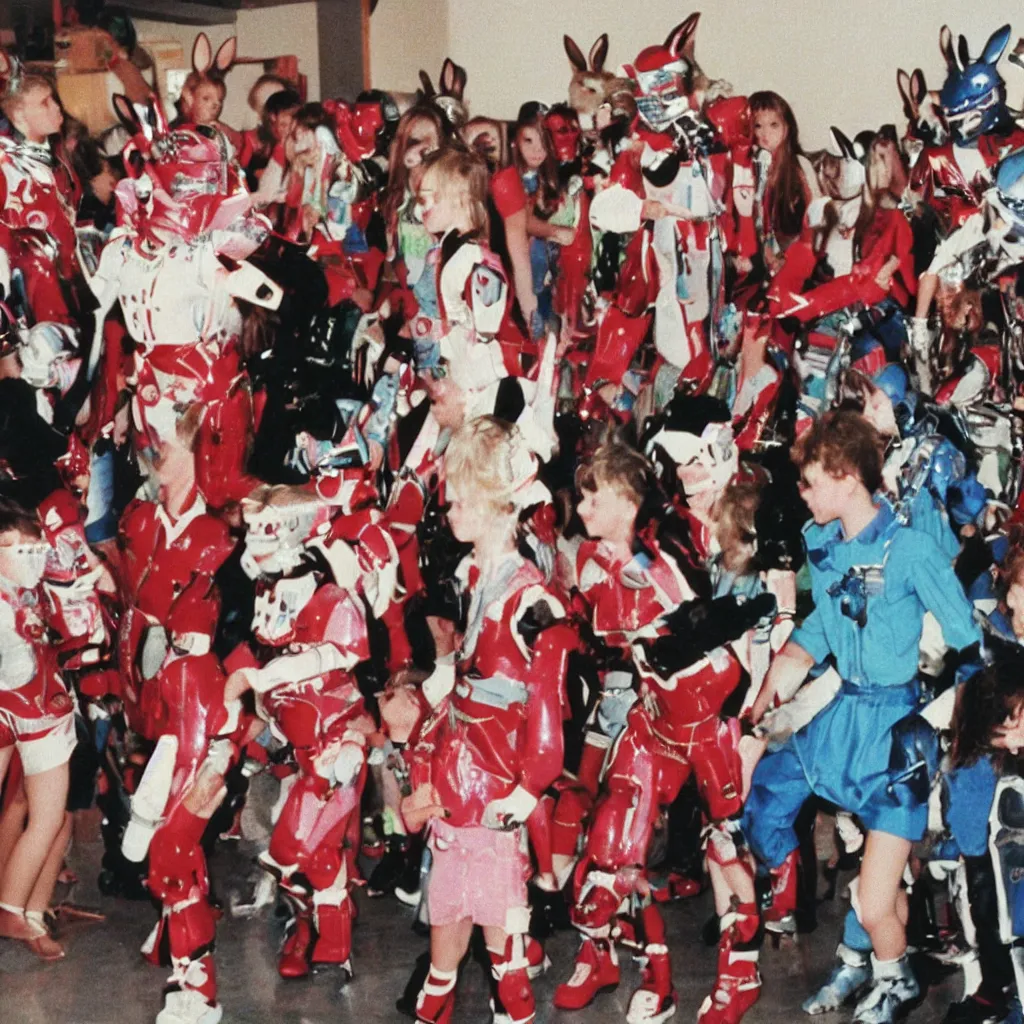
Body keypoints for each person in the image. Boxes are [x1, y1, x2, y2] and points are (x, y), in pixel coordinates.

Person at [744, 410, 981, 1024]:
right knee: (793, 811)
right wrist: (770, 691)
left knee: (876, 900)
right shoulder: (836, 551)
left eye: (810, 480)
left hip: (899, 736)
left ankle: (894, 979)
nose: (802, 492)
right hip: (845, 720)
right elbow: (822, 627)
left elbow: (970, 649)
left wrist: (938, 723)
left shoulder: (910, 549)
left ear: (847, 477)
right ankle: (860, 960)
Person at [401, 416, 575, 1024]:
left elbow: (548, 713)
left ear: (498, 504)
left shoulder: (532, 601)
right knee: (447, 900)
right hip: (457, 768)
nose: (448, 510)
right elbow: (451, 676)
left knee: (505, 939)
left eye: (462, 498)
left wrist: (529, 791)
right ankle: (436, 1000)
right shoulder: (471, 575)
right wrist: (420, 738)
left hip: (500, 776)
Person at [0, 499, 76, 960]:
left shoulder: (30, 592)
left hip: (40, 707)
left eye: (34, 547)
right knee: (48, 817)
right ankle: (12, 908)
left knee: (53, 818)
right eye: (15, 547)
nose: (29, 556)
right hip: (35, 712)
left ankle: (26, 911)